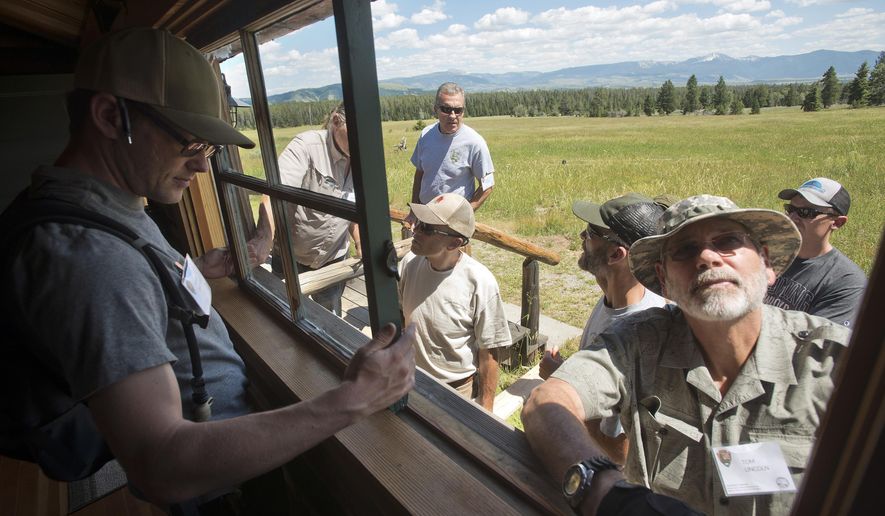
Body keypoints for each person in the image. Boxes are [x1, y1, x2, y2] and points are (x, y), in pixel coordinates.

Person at [3, 27, 414, 509]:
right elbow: (163, 465)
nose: (201, 168)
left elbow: (127, 295)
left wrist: (192, 269)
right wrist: (354, 399)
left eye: (209, 150)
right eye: (190, 145)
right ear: (112, 117)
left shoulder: (94, 207)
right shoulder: (91, 259)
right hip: (215, 478)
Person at [522, 195, 850, 515]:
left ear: (766, 264)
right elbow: (546, 404)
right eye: (685, 250)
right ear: (664, 281)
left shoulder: (833, 362)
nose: (707, 257)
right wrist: (605, 491)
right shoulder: (638, 343)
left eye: (727, 241)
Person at [538, 193, 668, 464]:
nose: (581, 237)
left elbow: (621, 453)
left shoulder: (637, 333)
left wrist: (563, 382)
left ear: (616, 254)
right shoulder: (613, 295)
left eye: (590, 233)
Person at [398, 194, 511, 411]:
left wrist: (486, 408)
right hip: (410, 379)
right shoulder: (409, 265)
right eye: (419, 223)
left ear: (454, 242)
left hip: (455, 392)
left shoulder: (480, 282)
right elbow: (401, 317)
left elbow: (490, 351)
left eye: (427, 228)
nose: (416, 230)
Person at [272, 104, 360, 316]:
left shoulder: (362, 158)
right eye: (355, 130)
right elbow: (274, 194)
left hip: (333, 258)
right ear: (336, 122)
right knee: (284, 311)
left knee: (329, 317)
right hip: (292, 256)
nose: (362, 139)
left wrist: (360, 240)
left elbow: (354, 207)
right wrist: (263, 238)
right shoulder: (307, 146)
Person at [765, 177, 866, 327]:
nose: (792, 218)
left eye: (805, 212)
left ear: (837, 222)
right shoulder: (767, 252)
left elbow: (819, 343)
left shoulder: (847, 282)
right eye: (790, 209)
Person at [407, 83, 494, 227]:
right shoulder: (426, 135)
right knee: (423, 249)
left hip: (453, 223)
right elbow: (420, 172)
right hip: (425, 215)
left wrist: (463, 214)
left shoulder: (474, 142)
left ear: (463, 111)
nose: (453, 115)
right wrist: (414, 210)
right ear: (436, 109)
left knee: (454, 250)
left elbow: (488, 185)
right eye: (446, 109)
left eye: (458, 110)